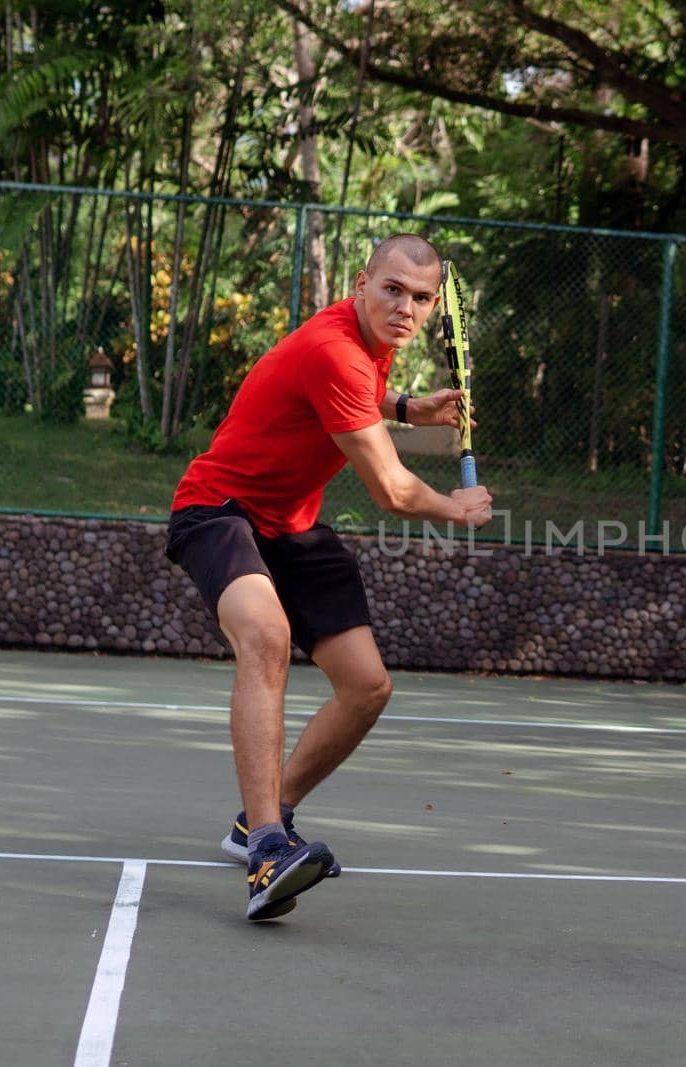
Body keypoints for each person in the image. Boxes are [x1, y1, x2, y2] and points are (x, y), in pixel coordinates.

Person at [165, 233, 493, 921]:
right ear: (361, 283)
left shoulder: (366, 349)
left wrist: (406, 407)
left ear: (434, 307)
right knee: (266, 635)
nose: (405, 306)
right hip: (219, 511)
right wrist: (455, 506)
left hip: (292, 524)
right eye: (393, 289)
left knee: (367, 685)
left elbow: (358, 394)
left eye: (421, 297)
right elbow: (395, 492)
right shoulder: (335, 350)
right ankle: (265, 853)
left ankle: (264, 813)